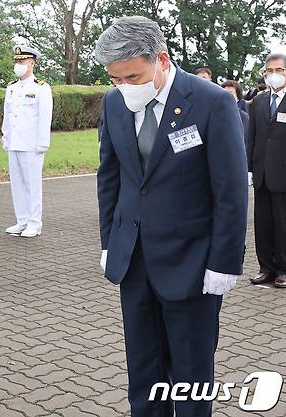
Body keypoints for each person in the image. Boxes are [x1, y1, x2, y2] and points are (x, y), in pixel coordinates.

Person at [96, 16, 247, 417]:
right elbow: (110, 177)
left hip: (192, 264)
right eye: (115, 78)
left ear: (161, 60)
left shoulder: (212, 101)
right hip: (135, 262)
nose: (123, 86)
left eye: (132, 76)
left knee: (191, 374)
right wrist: (109, 243)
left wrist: (224, 260)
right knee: (144, 371)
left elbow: (230, 189)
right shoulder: (114, 103)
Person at [1, 45, 53, 238]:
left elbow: (44, 117)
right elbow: (7, 115)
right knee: (17, 184)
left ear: (31, 63)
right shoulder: (11, 87)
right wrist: (5, 136)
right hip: (14, 142)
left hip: (31, 144)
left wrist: (42, 143)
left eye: (22, 61)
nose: (18, 65)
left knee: (32, 184)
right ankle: (21, 220)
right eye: (16, 61)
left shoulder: (41, 88)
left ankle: (34, 223)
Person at [247, 53, 286, 288]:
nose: (274, 75)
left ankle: (283, 269)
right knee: (263, 224)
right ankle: (266, 267)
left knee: (283, 223)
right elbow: (252, 137)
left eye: (279, 70)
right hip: (261, 173)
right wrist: (249, 168)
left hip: (283, 174)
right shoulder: (259, 101)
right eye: (269, 71)